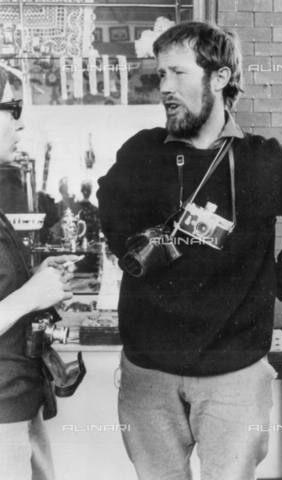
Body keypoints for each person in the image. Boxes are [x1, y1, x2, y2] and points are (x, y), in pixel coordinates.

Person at [97, 22, 282, 480]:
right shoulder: (141, 154)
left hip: (235, 374)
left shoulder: (266, 160)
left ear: (220, 77)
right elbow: (107, 202)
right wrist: (136, 246)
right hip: (148, 373)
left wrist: (277, 281)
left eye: (178, 74)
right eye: (160, 75)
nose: (164, 88)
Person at [0, 66, 78, 480]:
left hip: (17, 401)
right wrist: (31, 296)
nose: (21, 121)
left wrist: (37, 281)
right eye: (12, 108)